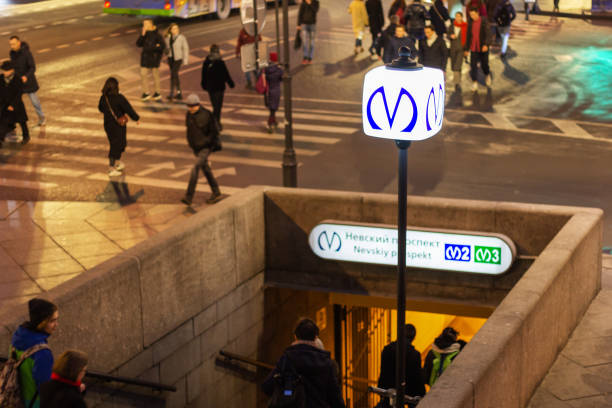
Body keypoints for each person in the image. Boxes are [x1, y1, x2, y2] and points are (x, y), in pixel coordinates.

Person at [262, 318, 345, 408]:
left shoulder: (287, 359)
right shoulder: (326, 363)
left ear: (295, 336)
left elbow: (267, 387)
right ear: (315, 337)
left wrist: (287, 392)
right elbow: (335, 397)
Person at [11, 298, 58, 408]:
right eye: (52, 321)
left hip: (15, 396)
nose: (56, 324)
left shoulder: (17, 338)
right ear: (41, 322)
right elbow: (45, 389)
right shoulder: (43, 353)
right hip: (35, 402)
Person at [181, 94, 222, 206]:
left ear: (198, 104)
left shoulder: (207, 114)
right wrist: (191, 143)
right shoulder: (189, 115)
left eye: (193, 106)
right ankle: (216, 192)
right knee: (206, 170)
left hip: (205, 147)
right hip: (196, 148)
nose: (190, 109)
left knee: (195, 169)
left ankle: (189, 196)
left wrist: (206, 142)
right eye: (189, 106)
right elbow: (189, 130)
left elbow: (214, 132)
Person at [98, 77, 140, 177]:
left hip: (108, 125)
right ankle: (111, 168)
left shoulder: (104, 98)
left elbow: (100, 108)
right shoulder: (119, 97)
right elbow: (128, 108)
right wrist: (136, 118)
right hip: (118, 126)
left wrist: (108, 112)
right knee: (117, 145)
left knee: (117, 143)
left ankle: (117, 162)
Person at [377, 324, 426, 406]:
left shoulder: (387, 349)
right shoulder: (414, 354)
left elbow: (383, 371)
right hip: (407, 392)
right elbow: (417, 377)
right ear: (413, 338)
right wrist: (422, 393)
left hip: (388, 390)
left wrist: (381, 388)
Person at [8, 36, 45, 126]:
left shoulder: (26, 53)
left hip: (28, 82)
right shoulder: (12, 53)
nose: (12, 46)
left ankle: (42, 118)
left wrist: (26, 77)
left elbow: (32, 67)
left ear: (19, 43)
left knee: (34, 102)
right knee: (13, 102)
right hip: (17, 81)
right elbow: (14, 66)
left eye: (13, 44)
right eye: (10, 44)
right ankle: (13, 122)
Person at [201, 44, 234, 131]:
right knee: (218, 107)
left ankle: (216, 122)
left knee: (216, 106)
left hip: (211, 88)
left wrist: (204, 85)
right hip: (219, 88)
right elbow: (226, 74)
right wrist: (231, 84)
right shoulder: (220, 62)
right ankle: (216, 122)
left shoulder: (207, 62)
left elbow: (203, 75)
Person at [0, 60, 29, 146]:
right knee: (3, 122)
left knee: (22, 122)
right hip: (5, 105)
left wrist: (13, 105)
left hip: (16, 105)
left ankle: (26, 136)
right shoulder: (1, 79)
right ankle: (0, 139)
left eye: (6, 70)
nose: (4, 72)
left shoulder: (17, 79)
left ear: (11, 70)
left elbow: (19, 94)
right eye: (3, 70)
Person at [136, 19, 165, 101]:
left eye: (146, 24)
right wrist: (142, 35)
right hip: (145, 58)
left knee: (155, 75)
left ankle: (157, 92)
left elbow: (162, 46)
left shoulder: (157, 35)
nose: (144, 26)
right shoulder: (144, 35)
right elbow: (138, 44)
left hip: (154, 58)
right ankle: (146, 93)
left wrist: (153, 47)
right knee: (143, 74)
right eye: (143, 24)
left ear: (151, 24)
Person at [464, 6, 492, 91]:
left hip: (483, 47)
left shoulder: (484, 21)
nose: (472, 16)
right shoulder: (470, 22)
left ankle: (487, 75)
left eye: (473, 14)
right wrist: (466, 49)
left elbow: (488, 34)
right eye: (470, 15)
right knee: (473, 66)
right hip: (473, 48)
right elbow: (468, 36)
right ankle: (474, 82)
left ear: (477, 13)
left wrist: (486, 45)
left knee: (484, 64)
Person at [164, 23, 189, 101]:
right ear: (170, 30)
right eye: (174, 28)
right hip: (171, 58)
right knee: (175, 76)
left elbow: (185, 48)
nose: (176, 30)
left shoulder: (181, 38)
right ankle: (179, 93)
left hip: (178, 59)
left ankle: (171, 94)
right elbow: (166, 49)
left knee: (173, 74)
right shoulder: (167, 38)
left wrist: (185, 60)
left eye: (177, 28)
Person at [264, 52, 283, 133]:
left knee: (272, 109)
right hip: (276, 91)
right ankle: (270, 124)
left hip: (268, 92)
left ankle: (274, 122)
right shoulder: (278, 70)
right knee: (273, 110)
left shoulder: (266, 69)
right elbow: (282, 78)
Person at [448, 11, 467, 90]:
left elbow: (468, 38)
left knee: (457, 65)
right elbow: (448, 33)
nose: (457, 18)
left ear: (462, 17)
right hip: (453, 48)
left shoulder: (465, 26)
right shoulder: (452, 25)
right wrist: (450, 36)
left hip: (461, 49)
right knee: (454, 66)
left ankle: (456, 83)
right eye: (456, 16)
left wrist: (466, 49)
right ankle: (458, 80)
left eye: (459, 16)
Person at [297, 0, 320, 64]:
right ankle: (305, 57)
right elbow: (300, 14)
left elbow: (316, 10)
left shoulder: (316, 2)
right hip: (304, 24)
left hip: (312, 25)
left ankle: (310, 58)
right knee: (305, 43)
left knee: (312, 43)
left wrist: (310, 3)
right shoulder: (303, 3)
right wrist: (298, 24)